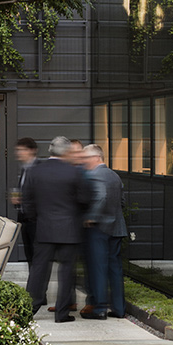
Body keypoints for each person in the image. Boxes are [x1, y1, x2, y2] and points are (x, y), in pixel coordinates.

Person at [24, 136, 85, 323]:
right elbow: (84, 200)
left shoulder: (35, 172)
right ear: (67, 152)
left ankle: (28, 309)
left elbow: (27, 202)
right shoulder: (74, 172)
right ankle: (62, 313)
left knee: (39, 270)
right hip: (69, 229)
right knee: (66, 271)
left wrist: (38, 218)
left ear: (50, 151)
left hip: (44, 228)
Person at [80, 144, 128, 320]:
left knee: (98, 268)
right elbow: (122, 202)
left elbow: (101, 196)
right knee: (115, 269)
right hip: (117, 228)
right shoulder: (114, 176)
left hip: (99, 228)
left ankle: (99, 308)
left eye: (86, 158)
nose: (84, 162)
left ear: (96, 158)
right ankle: (119, 308)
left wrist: (91, 217)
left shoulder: (95, 175)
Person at [13, 137, 39, 267]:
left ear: (31, 151)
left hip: (35, 220)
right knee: (29, 254)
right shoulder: (24, 169)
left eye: (22, 150)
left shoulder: (39, 169)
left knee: (36, 255)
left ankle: (37, 285)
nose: (19, 153)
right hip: (24, 218)